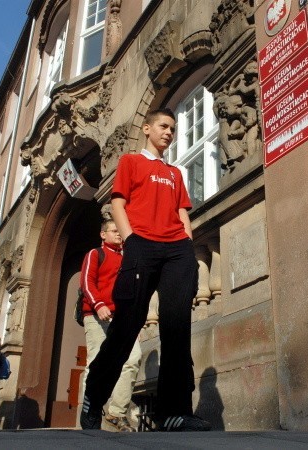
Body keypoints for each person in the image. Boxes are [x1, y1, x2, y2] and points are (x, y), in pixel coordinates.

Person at [80, 108, 211, 432]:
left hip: (176, 251)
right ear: (148, 128)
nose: (169, 132)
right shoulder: (131, 163)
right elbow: (118, 203)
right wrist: (132, 240)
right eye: (163, 126)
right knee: (127, 326)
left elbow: (182, 212)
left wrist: (187, 245)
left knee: (176, 329)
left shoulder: (175, 174)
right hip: (142, 247)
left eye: (173, 128)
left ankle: (174, 411)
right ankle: (94, 397)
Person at [80, 219, 141, 432]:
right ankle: (89, 411)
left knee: (132, 359)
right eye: (113, 231)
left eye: (119, 231)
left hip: (123, 318)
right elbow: (87, 282)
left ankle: (116, 413)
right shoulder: (95, 254)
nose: (118, 234)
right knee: (95, 363)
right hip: (97, 316)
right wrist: (98, 305)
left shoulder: (128, 258)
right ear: (103, 234)